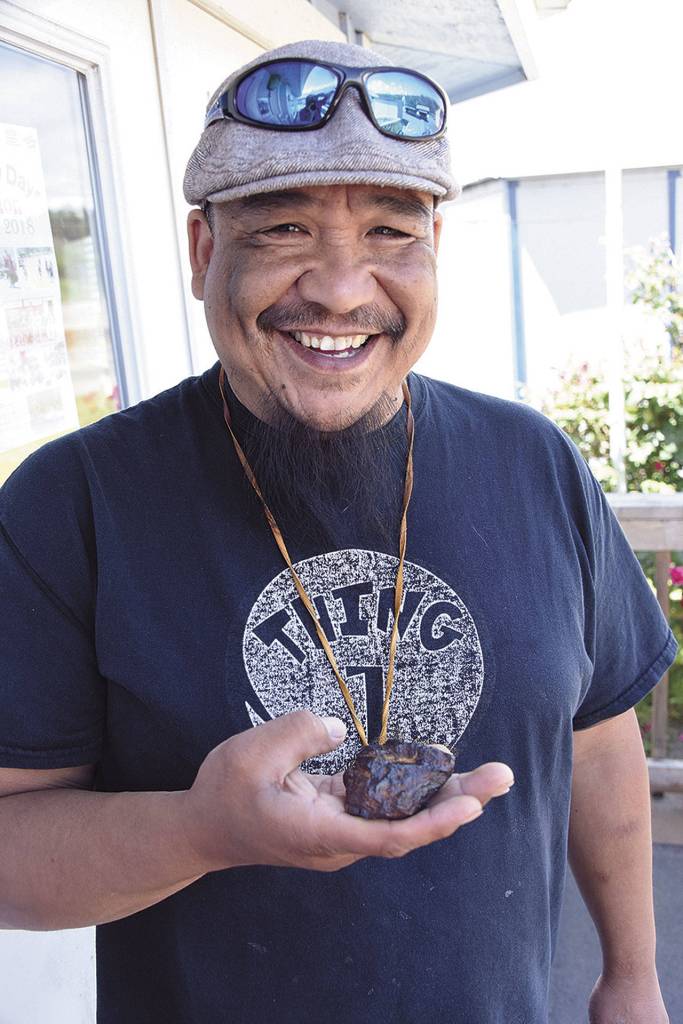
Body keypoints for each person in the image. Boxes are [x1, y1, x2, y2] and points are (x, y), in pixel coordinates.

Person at [0, 38, 676, 1024]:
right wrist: (202, 830)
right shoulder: (73, 501)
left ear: (433, 247)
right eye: (279, 228)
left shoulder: (534, 461)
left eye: (391, 231)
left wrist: (630, 975)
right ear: (202, 254)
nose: (340, 288)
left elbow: (598, 733)